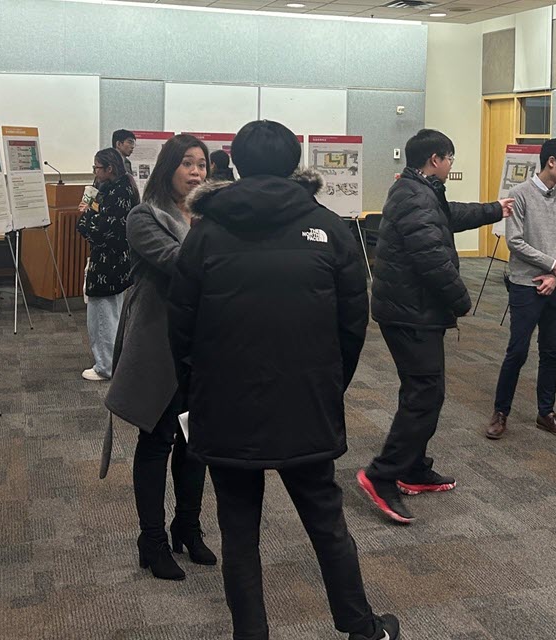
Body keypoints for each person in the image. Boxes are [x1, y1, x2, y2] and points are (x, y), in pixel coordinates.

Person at [169, 120, 399, 640]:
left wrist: (201, 389)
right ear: (295, 161)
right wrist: (328, 385)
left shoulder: (205, 231)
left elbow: (180, 327)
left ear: (236, 163)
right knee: (326, 519)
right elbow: (352, 324)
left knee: (238, 529)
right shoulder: (330, 227)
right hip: (307, 400)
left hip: (226, 404)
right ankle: (361, 627)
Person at [357, 128, 513, 525]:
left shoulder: (418, 190)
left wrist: (496, 208)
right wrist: (461, 300)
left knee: (425, 392)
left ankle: (412, 468)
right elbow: (432, 259)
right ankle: (383, 474)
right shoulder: (415, 196)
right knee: (424, 395)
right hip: (410, 313)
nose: (450, 166)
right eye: (450, 159)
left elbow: (450, 216)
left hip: (413, 311)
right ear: (435, 160)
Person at [104, 134, 215, 581]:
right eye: (186, 163)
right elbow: (177, 262)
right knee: (157, 440)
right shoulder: (143, 216)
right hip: (159, 343)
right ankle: (151, 539)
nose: (196, 172)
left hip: (203, 345)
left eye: (202, 165)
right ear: (168, 168)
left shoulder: (210, 216)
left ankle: (186, 526)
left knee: (196, 445)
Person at [486, 138, 556, 440]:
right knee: (518, 350)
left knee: (551, 351)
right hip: (526, 285)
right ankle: (501, 412)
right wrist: (553, 265)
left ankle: (546, 413)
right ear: (551, 162)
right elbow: (515, 241)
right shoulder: (520, 195)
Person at [76, 148, 136, 381]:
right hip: (119, 262)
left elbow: (104, 231)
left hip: (108, 262)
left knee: (102, 314)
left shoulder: (115, 193)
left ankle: (105, 366)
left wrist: (82, 221)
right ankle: (113, 361)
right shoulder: (122, 188)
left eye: (96, 167)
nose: (94, 172)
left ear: (109, 168)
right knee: (114, 313)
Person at [80, 130, 141, 212]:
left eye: (133, 143)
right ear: (118, 144)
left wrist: (92, 204)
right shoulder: (107, 161)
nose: (132, 146)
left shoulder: (126, 166)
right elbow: (100, 190)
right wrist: (91, 204)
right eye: (130, 142)